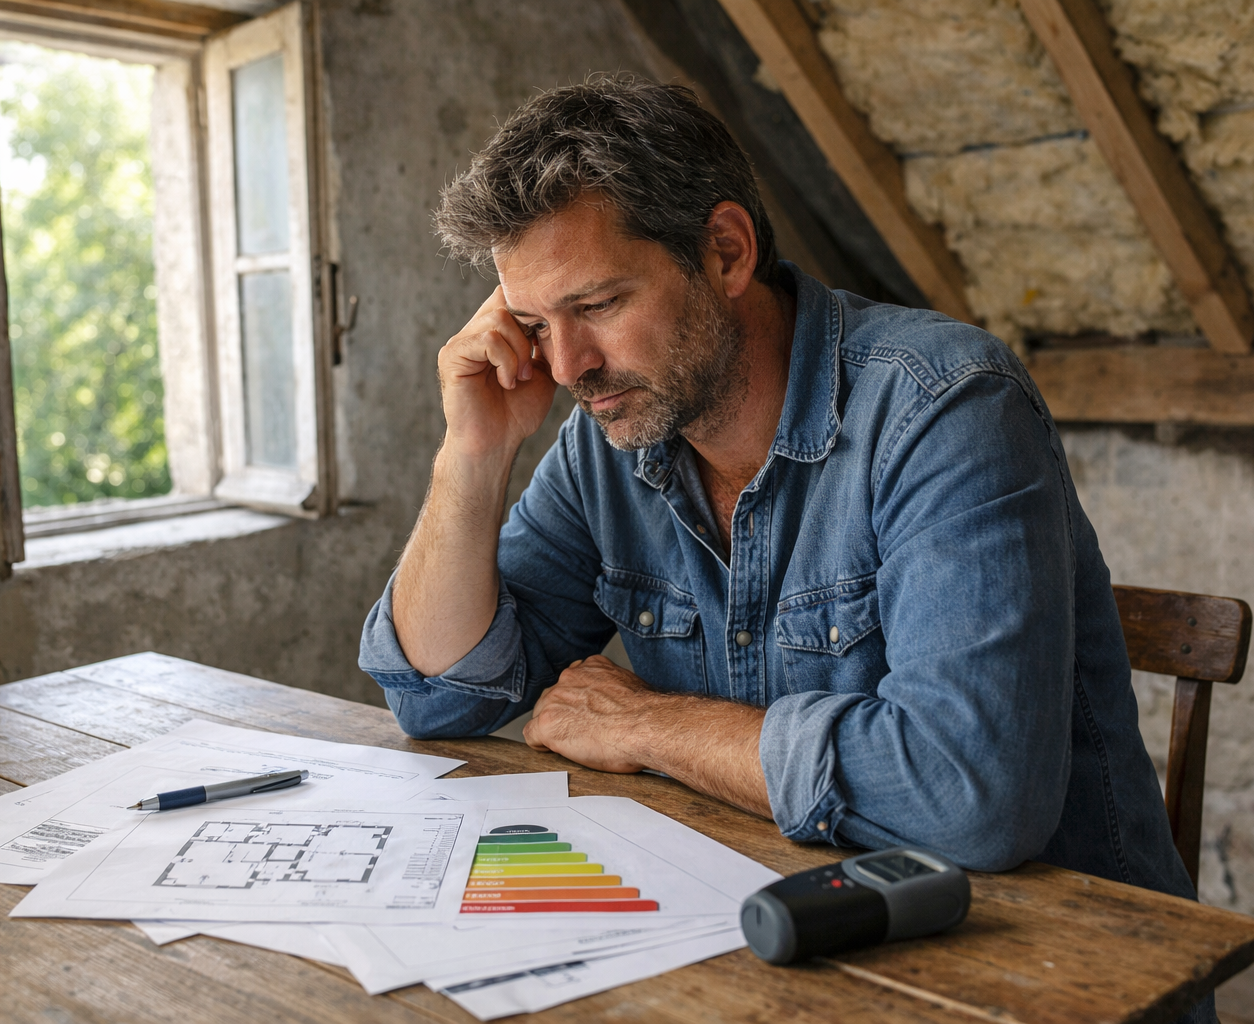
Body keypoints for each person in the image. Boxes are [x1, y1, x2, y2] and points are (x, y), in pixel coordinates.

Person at [358, 76, 1197, 923]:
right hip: (763, 924)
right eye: (536, 324)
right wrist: (473, 454)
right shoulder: (610, 440)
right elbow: (438, 698)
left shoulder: (944, 406)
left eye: (599, 305)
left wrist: (650, 727)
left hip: (1057, 960)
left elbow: (967, 795)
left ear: (726, 251)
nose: (569, 366)